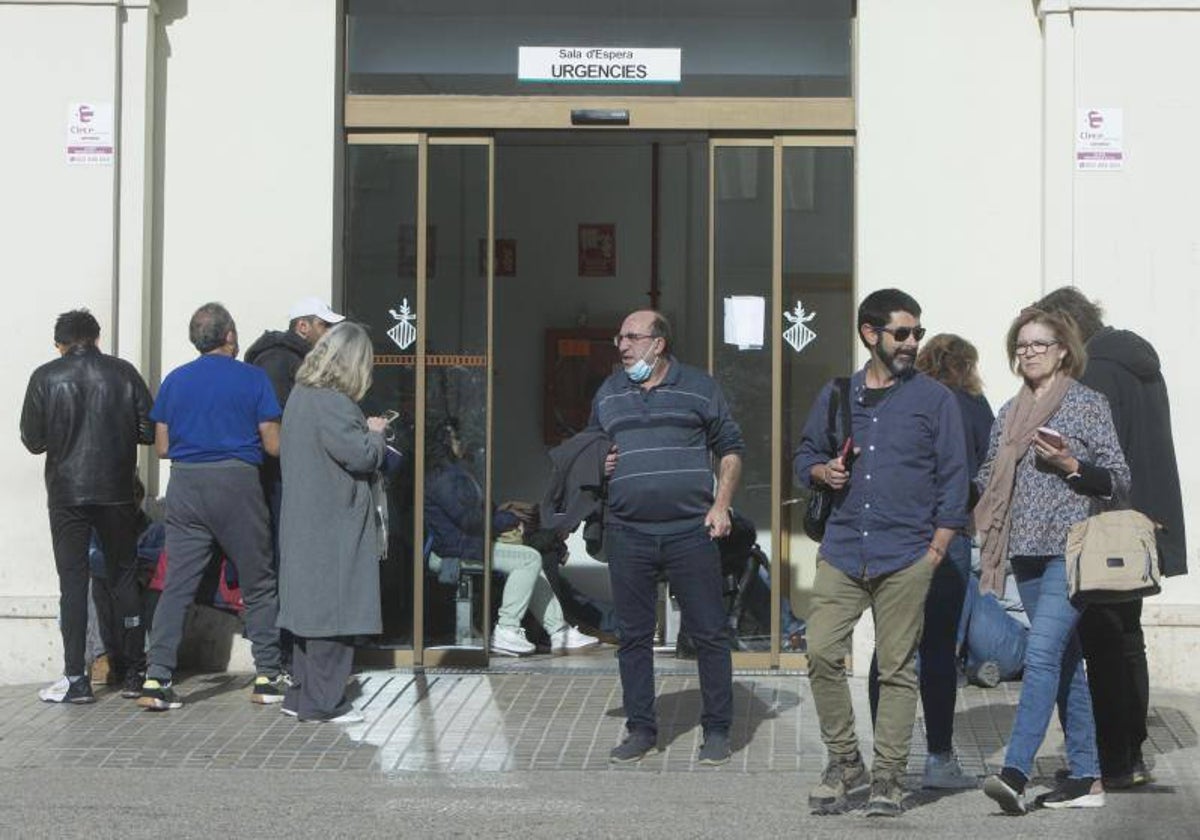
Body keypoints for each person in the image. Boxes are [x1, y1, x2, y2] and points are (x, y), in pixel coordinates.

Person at [794, 289, 969, 816]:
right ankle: (846, 762)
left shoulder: (935, 399)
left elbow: (955, 477)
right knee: (821, 652)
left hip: (907, 553)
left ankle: (889, 778)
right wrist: (821, 471)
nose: (913, 342)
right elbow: (805, 452)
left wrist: (938, 546)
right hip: (844, 548)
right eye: (902, 333)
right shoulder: (837, 394)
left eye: (917, 332)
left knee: (896, 667)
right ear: (870, 334)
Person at [977, 307, 1130, 814]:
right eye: (1021, 346)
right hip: (1023, 550)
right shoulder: (1008, 411)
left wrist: (1069, 464)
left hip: (1072, 548)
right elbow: (988, 475)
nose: (1029, 353)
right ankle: (1086, 777)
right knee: (1065, 662)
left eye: (1039, 345)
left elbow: (1116, 479)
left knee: (1040, 655)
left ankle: (1015, 771)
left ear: (1063, 350)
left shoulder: (1088, 404)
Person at [1035, 287, 1186, 788]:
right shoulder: (1143, 367)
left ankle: (1111, 760)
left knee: (1101, 644)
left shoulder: (1095, 373)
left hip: (1104, 526)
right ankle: (1131, 757)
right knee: (1128, 641)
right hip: (1142, 526)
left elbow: (1090, 456)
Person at [587, 309, 744, 767]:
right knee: (633, 637)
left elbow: (731, 448)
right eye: (619, 337)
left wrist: (721, 505)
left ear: (659, 344)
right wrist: (601, 463)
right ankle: (641, 729)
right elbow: (592, 449)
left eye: (632, 337)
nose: (622, 345)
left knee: (709, 634)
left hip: (689, 532)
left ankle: (717, 729)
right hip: (628, 531)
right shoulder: (609, 392)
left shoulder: (699, 387)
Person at [139, 302, 287, 711]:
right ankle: (268, 677)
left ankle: (157, 678)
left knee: (177, 585)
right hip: (237, 482)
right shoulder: (253, 379)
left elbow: (164, 446)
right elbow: (273, 444)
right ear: (230, 336)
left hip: (185, 484)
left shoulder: (175, 381)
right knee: (259, 581)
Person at [865, 333, 995, 788]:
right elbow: (989, 468)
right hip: (949, 535)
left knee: (890, 650)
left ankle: (886, 760)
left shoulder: (902, 396)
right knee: (939, 650)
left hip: (897, 535)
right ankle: (939, 758)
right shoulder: (973, 405)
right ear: (967, 366)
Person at [20, 309, 155, 704]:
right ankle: (134, 671)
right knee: (124, 577)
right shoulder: (123, 373)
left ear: (59, 344)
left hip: (66, 494)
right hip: (116, 490)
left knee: (72, 583)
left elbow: (32, 439)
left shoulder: (45, 377)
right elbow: (148, 429)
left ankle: (76, 678)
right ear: (96, 337)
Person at [276, 322, 386, 723]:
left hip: (305, 521)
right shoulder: (334, 403)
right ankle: (325, 702)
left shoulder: (301, 397)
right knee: (333, 614)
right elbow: (360, 457)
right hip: (332, 526)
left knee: (308, 615)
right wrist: (375, 434)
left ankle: (300, 695)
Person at [424, 417, 599, 657]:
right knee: (528, 559)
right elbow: (471, 520)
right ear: (445, 443)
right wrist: (509, 521)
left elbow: (477, 515)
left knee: (531, 559)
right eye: (456, 437)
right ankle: (507, 628)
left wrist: (503, 517)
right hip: (457, 548)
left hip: (465, 543)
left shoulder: (453, 473)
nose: (462, 442)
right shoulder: (446, 477)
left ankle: (559, 631)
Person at [246, 297, 345, 669]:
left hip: (289, 477)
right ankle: (285, 653)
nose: (330, 334)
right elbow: (277, 428)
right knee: (286, 559)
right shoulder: (278, 361)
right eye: (325, 326)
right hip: (281, 480)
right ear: (303, 327)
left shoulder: (294, 360)